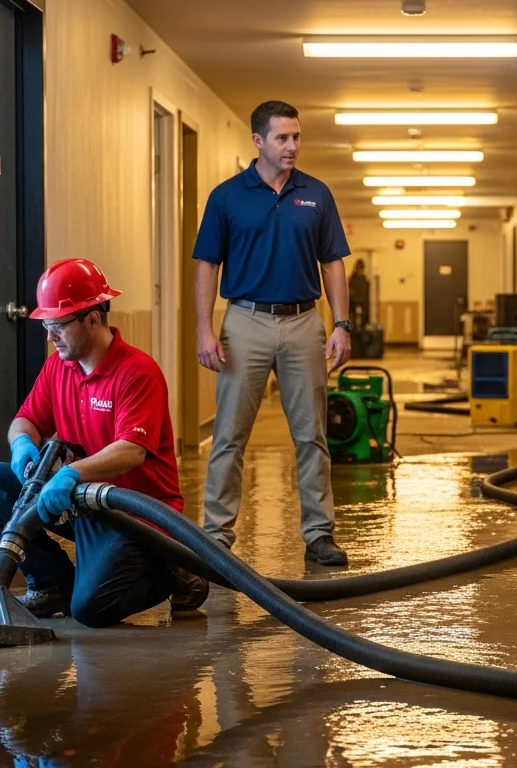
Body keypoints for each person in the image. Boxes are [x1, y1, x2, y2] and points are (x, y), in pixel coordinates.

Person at [0, 257, 210, 626]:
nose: (50, 336)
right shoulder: (58, 366)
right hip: (82, 505)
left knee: (92, 610)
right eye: (47, 325)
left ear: (93, 319)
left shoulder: (137, 372)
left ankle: (173, 569)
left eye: (57, 326)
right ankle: (52, 583)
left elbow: (131, 450)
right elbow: (27, 419)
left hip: (135, 516)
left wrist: (70, 475)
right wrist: (22, 445)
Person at [192, 100, 354, 565]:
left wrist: (341, 324)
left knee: (311, 435)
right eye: (282, 138)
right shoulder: (226, 196)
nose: (292, 146)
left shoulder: (316, 194)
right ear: (258, 141)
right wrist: (206, 329)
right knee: (229, 435)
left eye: (297, 137)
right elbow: (207, 264)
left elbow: (333, 264)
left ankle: (319, 533)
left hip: (305, 322)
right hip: (245, 322)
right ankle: (216, 536)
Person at [348, 259, 371, 330]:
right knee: (354, 324)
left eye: (361, 268)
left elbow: (366, 294)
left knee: (362, 324)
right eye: (359, 268)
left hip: (362, 305)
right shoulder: (353, 279)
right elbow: (352, 293)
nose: (360, 270)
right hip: (354, 305)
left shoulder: (365, 280)